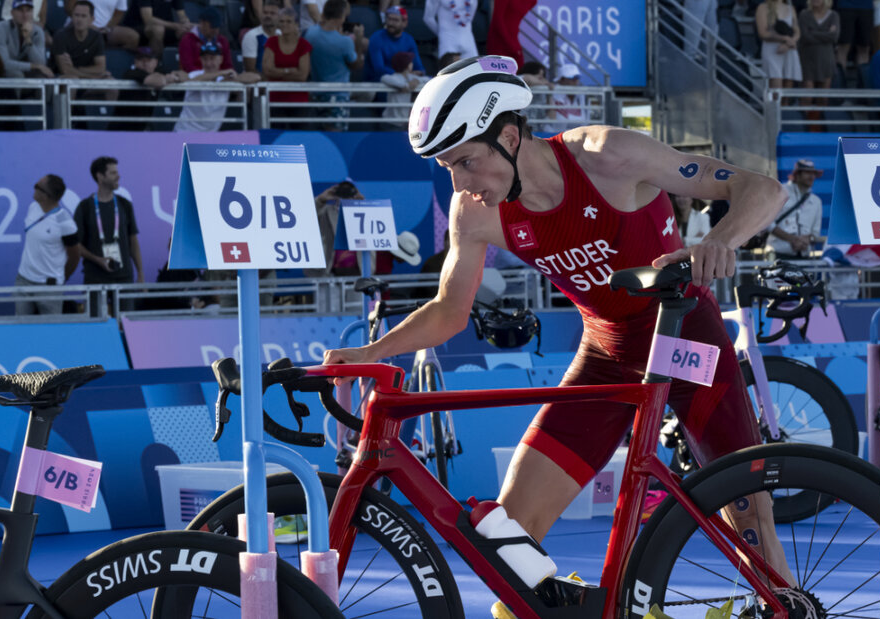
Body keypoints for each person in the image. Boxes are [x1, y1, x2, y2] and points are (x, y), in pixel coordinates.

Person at [321, 57, 794, 614]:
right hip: (607, 353)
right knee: (509, 533)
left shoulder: (606, 154)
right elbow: (450, 311)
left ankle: (788, 604)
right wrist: (369, 352)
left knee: (746, 511)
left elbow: (762, 189)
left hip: (686, 339)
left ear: (510, 136)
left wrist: (720, 240)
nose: (461, 184)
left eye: (467, 162)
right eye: (448, 167)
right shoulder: (474, 213)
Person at [73, 156, 144, 314]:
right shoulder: (85, 207)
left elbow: (133, 241)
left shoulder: (125, 204)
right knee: (96, 324)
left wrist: (140, 272)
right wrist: (97, 260)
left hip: (124, 277)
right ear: (100, 176)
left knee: (126, 323)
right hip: (95, 278)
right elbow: (76, 245)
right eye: (113, 173)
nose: (118, 176)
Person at [16, 174, 80, 316]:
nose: (34, 188)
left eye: (37, 187)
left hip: (49, 286)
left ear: (47, 195)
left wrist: (60, 279)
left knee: (50, 331)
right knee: (20, 329)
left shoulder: (65, 223)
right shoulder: (33, 207)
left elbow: (75, 256)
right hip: (24, 280)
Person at [305, 0, 366, 131]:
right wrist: (359, 40)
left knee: (318, 139)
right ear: (342, 17)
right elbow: (356, 65)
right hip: (338, 97)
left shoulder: (311, 33)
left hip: (316, 93)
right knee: (336, 139)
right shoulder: (345, 42)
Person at [175, 40, 259, 131]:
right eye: (205, 59)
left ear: (221, 59)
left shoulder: (225, 79)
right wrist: (222, 73)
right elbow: (193, 81)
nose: (208, 63)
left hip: (211, 136)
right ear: (200, 60)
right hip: (185, 131)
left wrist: (233, 79)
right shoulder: (195, 74)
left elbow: (256, 77)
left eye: (212, 58)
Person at [111, 45, 186, 129]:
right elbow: (157, 81)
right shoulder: (131, 73)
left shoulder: (159, 71)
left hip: (141, 127)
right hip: (121, 128)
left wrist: (175, 76)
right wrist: (168, 78)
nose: (145, 63)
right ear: (135, 62)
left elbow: (184, 76)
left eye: (148, 60)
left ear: (156, 62)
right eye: (141, 60)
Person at [262, 8, 311, 128]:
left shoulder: (303, 45)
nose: (284, 24)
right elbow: (267, 71)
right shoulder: (271, 42)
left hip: (298, 101)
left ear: (296, 24)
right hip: (275, 99)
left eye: (288, 21)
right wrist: (289, 71)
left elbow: (302, 75)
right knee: (276, 137)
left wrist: (278, 72)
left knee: (299, 138)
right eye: (282, 21)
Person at [767, 159, 824, 259]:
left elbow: (815, 233)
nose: (811, 177)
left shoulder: (816, 201)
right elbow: (767, 223)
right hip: (778, 254)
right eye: (807, 173)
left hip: (804, 256)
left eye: (813, 173)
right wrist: (792, 239)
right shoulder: (780, 193)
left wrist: (806, 239)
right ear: (797, 175)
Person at [0, 0, 54, 78]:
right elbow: (3, 63)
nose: (25, 15)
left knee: (45, 76)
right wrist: (33, 66)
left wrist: (28, 39)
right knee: (16, 75)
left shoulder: (38, 31)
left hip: (22, 69)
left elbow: (40, 63)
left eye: (28, 11)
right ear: (12, 13)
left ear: (32, 13)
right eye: (20, 10)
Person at [364, 6, 423, 83]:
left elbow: (419, 67)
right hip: (379, 84)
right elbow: (379, 69)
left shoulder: (409, 40)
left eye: (395, 20)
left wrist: (419, 73)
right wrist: (404, 75)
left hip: (404, 82)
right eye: (389, 19)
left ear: (404, 23)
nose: (391, 23)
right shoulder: (376, 38)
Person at [52, 1, 110, 79]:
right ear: (72, 17)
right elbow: (65, 70)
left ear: (92, 19)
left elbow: (100, 68)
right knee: (72, 79)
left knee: (110, 84)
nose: (79, 19)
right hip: (61, 78)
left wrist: (77, 69)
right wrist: (93, 76)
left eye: (83, 16)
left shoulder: (97, 37)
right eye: (76, 15)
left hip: (86, 80)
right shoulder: (61, 36)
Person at [756, 0, 803, 87]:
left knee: (788, 83)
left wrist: (788, 44)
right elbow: (762, 33)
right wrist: (784, 38)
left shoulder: (791, 8)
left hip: (789, 49)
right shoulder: (762, 8)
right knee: (776, 84)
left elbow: (797, 32)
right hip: (772, 50)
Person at [125, 0, 193, 59]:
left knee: (192, 29)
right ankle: (158, 62)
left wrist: (185, 22)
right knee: (158, 29)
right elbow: (148, 19)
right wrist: (175, 26)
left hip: (167, 26)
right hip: (139, 26)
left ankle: (187, 65)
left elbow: (182, 14)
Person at [797, 0, 839, 89]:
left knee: (823, 98)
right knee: (807, 97)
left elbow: (834, 37)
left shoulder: (833, 15)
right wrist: (826, 33)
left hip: (826, 60)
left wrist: (812, 32)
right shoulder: (804, 14)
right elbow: (805, 36)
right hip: (808, 60)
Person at [65, 0, 139, 50]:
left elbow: (119, 11)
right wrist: (89, 26)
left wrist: (107, 27)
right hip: (79, 24)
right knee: (90, 33)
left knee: (132, 37)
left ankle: (113, 62)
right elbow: (70, 7)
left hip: (103, 30)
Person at [178, 7, 233, 73]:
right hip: (194, 80)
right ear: (202, 23)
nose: (215, 30)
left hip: (220, 79)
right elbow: (188, 67)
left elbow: (228, 66)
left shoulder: (223, 41)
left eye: (217, 26)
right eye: (212, 26)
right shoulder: (187, 40)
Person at [381, 50, 428, 126]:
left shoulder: (410, 77)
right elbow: (384, 78)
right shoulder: (394, 77)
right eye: (410, 62)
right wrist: (405, 86)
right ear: (408, 65)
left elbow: (428, 79)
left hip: (403, 121)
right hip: (390, 121)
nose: (412, 64)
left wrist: (417, 80)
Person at [834, 0, 872, 79]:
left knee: (864, 47)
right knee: (843, 46)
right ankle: (840, 82)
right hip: (845, 6)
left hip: (866, 7)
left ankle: (863, 82)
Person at [241, 0, 281, 74]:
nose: (268, 16)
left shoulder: (282, 35)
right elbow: (250, 70)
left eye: (272, 13)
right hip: (258, 82)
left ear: (279, 17)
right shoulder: (251, 36)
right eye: (265, 13)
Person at [546, 62, 588, 133]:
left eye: (577, 77)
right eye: (571, 78)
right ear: (561, 80)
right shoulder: (551, 93)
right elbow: (552, 121)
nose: (575, 81)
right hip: (555, 137)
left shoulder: (582, 95)